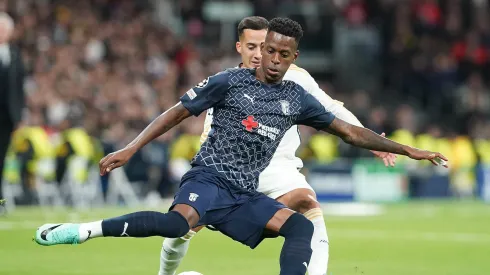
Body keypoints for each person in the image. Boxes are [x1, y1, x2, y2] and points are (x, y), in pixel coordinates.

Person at [34, 18, 447, 275]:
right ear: (260, 48)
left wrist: (409, 149)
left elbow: (349, 132)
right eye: (269, 51)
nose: (274, 60)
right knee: (178, 225)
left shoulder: (296, 99)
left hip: (242, 195)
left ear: (292, 58)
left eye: (284, 55)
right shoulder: (228, 82)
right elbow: (176, 113)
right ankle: (82, 231)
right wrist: (131, 147)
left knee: (301, 225)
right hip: (209, 178)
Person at [159, 16, 397, 275]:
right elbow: (207, 131)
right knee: (183, 227)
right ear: (240, 47)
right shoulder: (229, 82)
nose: (260, 54)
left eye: (265, 46)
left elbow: (332, 107)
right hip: (232, 167)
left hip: (279, 168)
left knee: (308, 203)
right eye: (252, 46)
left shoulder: (297, 79)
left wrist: (371, 139)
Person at [0, 12, 25, 201]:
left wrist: (18, 116)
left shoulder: (15, 54)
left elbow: (19, 88)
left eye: (5, 29)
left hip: (7, 117)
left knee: (2, 157)